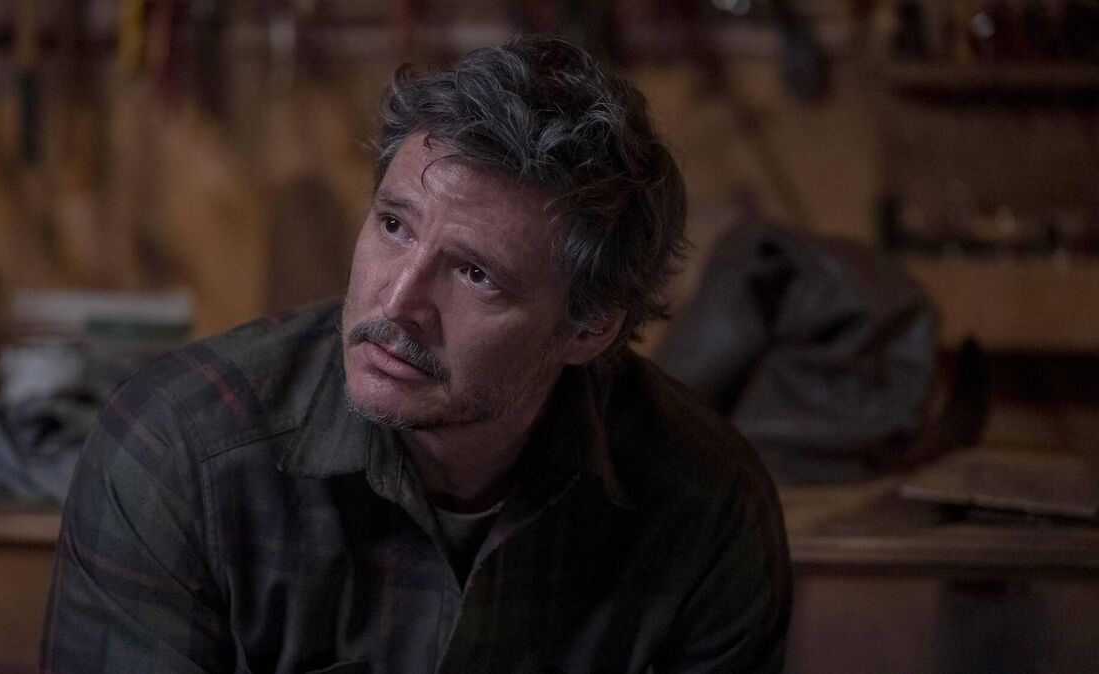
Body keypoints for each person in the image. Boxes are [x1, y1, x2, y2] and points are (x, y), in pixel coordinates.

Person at [40, 35, 791, 673]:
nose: (397, 303)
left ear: (588, 329)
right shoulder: (178, 451)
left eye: (475, 274)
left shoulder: (703, 503)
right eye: (395, 226)